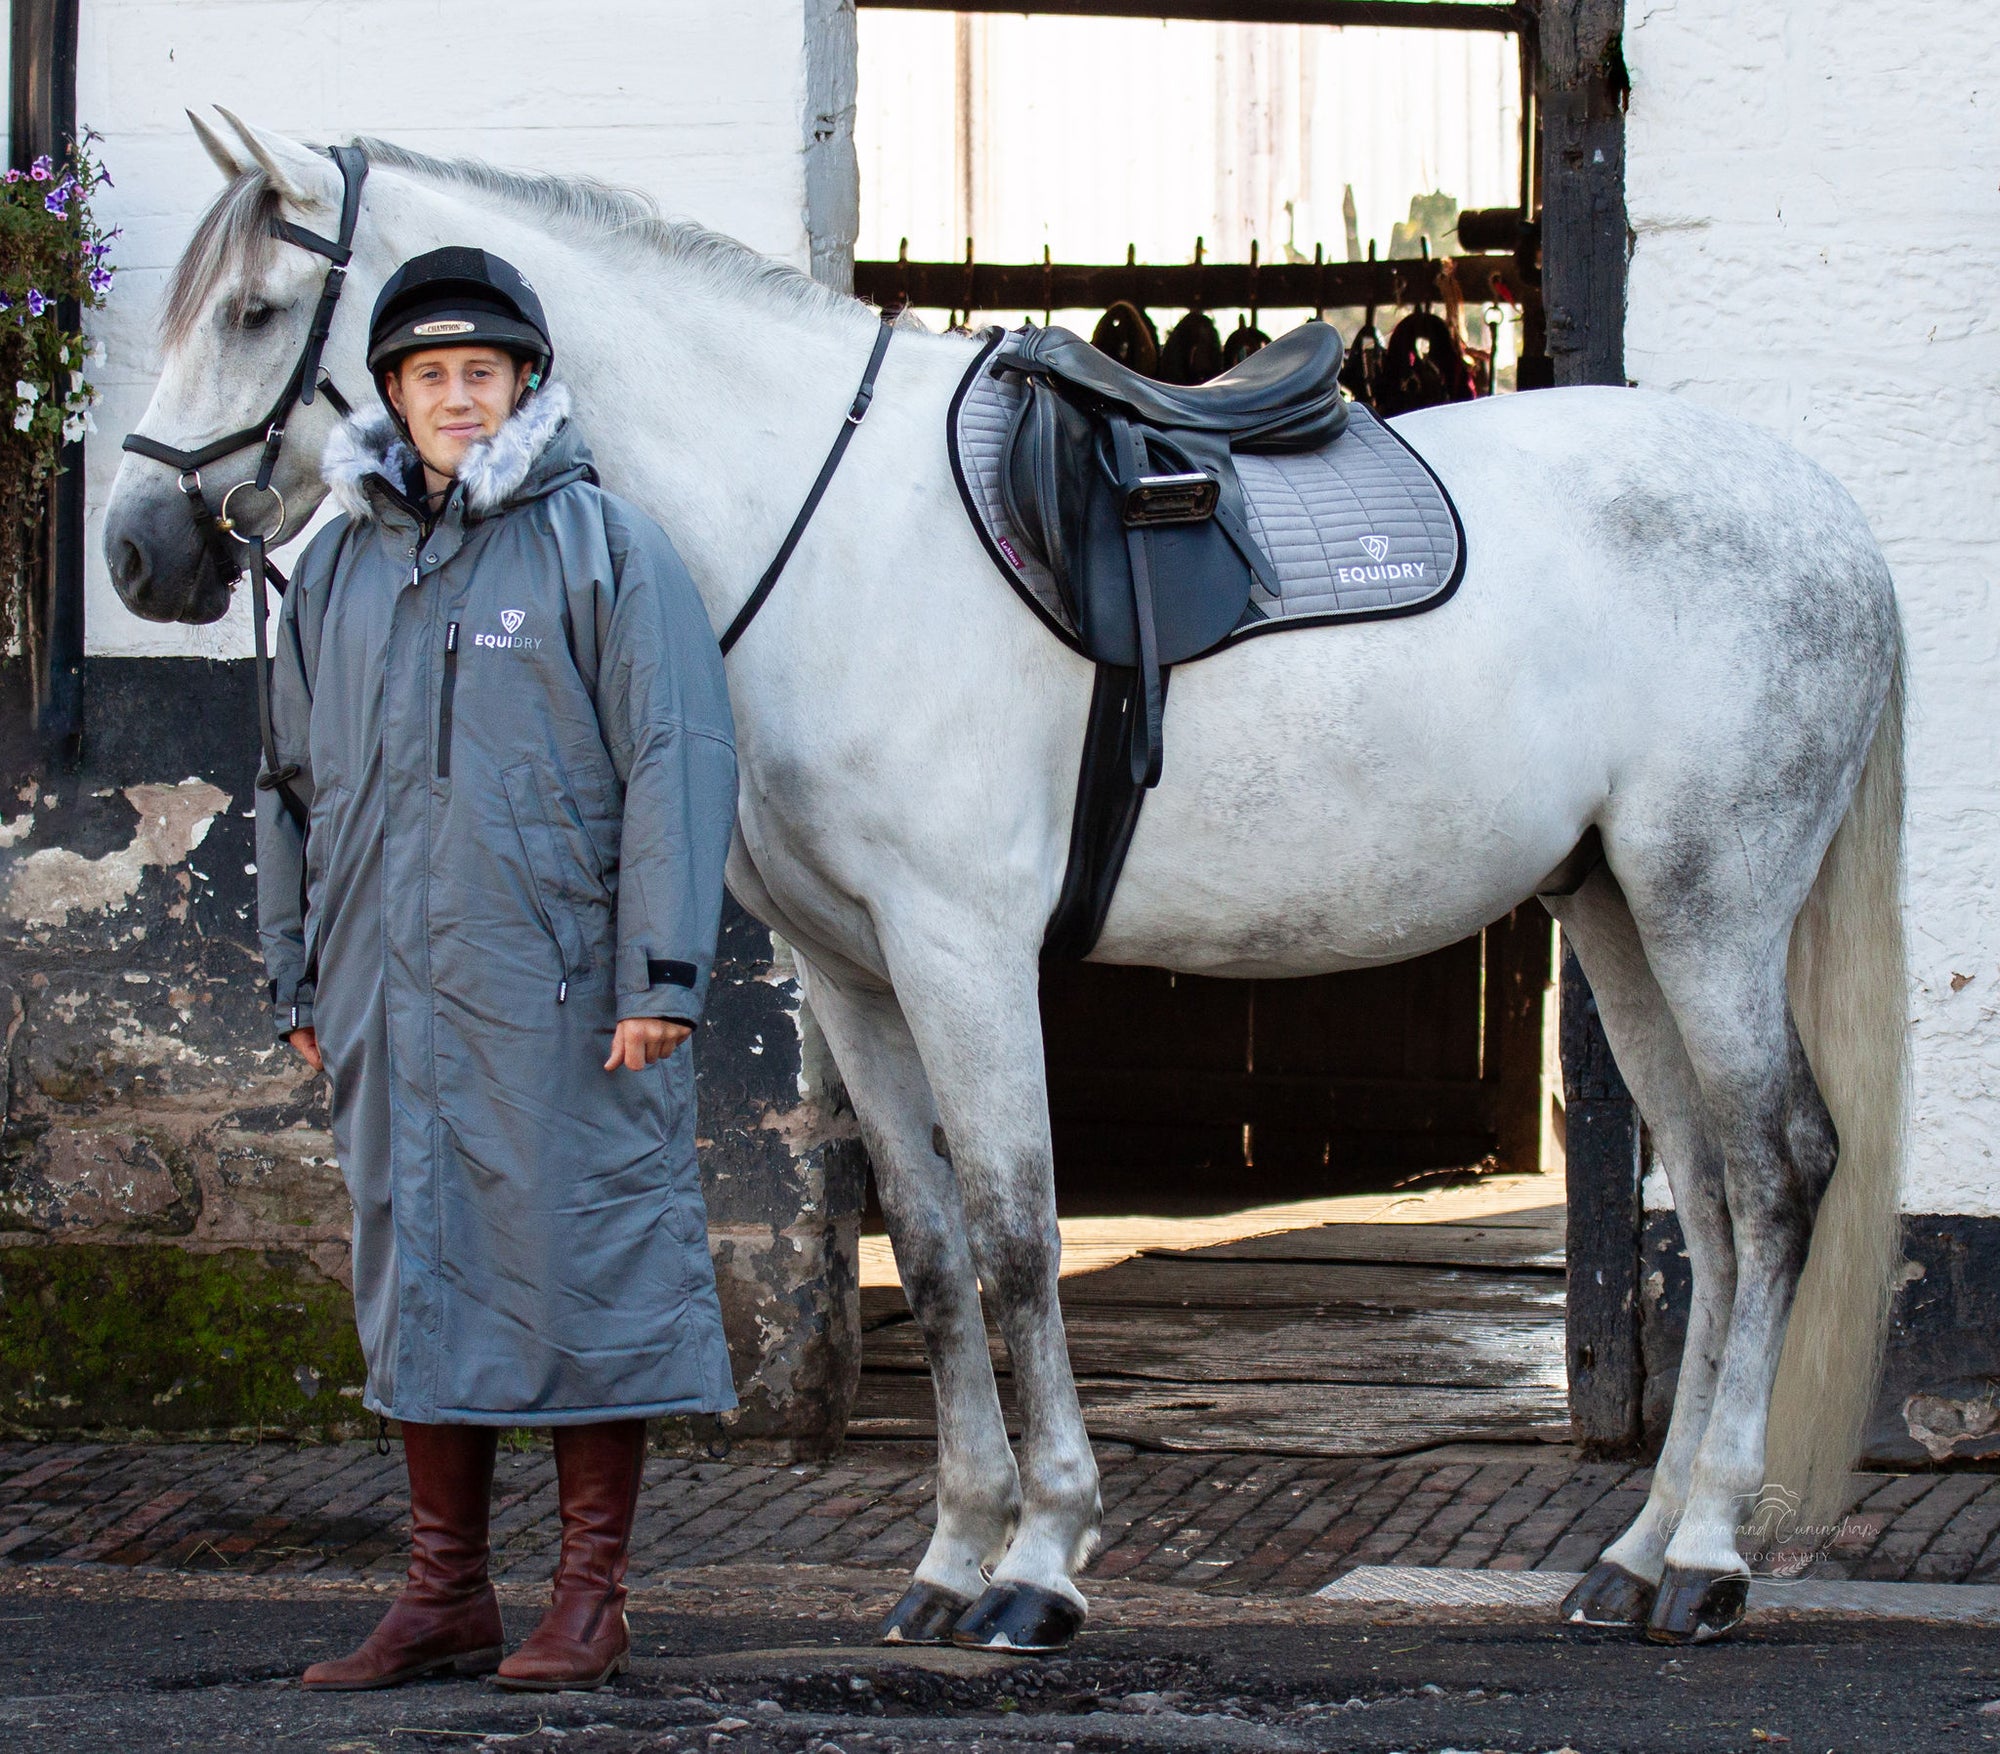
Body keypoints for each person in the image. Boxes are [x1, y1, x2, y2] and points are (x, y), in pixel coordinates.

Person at [255, 247, 739, 1693]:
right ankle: (443, 1593)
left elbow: (677, 756)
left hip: (563, 993)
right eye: (428, 375)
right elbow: (285, 779)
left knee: (583, 1263)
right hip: (388, 993)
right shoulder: (336, 564)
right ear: (391, 397)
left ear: (524, 383)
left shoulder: (608, 547)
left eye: (482, 372)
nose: (456, 397)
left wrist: (660, 974)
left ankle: (591, 1597)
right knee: (421, 1272)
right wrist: (299, 974)